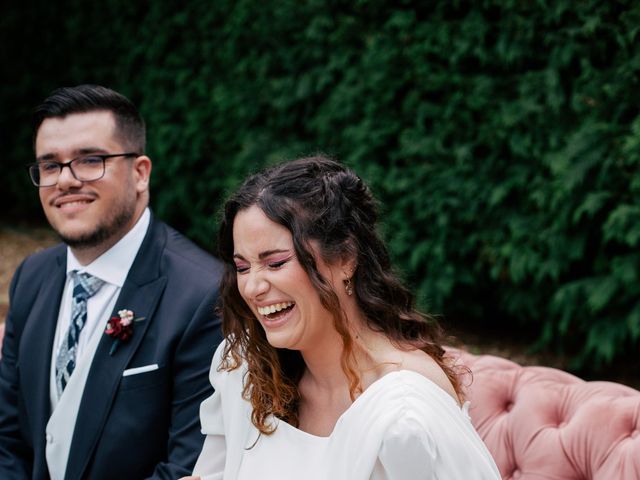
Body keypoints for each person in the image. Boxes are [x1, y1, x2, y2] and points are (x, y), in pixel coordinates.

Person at [185, 156, 500, 479]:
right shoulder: (244, 369)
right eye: (242, 267)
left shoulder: (404, 412)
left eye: (276, 263)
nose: (252, 286)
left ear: (346, 258)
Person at [0, 85, 224, 480]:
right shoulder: (30, 279)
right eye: (50, 165)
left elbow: (187, 465)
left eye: (90, 160)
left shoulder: (205, 295)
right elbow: (8, 437)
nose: (65, 181)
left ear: (140, 173)